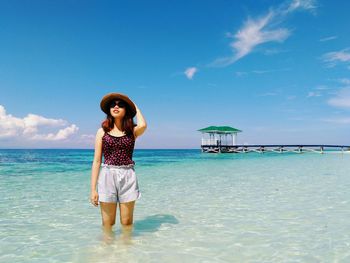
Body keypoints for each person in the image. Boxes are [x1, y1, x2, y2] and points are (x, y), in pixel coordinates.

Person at [90, 92, 147, 235]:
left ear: (126, 110)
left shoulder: (132, 131)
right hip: (107, 175)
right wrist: (93, 189)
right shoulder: (102, 132)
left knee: (127, 223)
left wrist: (134, 106)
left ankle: (126, 252)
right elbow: (97, 161)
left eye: (121, 105)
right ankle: (107, 253)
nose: (116, 106)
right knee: (108, 223)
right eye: (113, 104)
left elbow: (143, 125)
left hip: (128, 175)